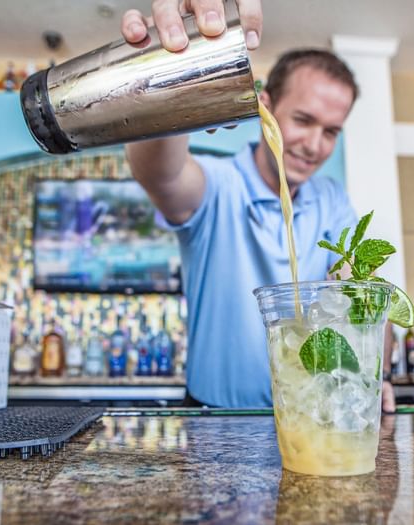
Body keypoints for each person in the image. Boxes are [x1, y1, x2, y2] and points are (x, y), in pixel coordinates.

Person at [121, 0, 395, 411]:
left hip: (308, 417)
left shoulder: (331, 199)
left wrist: (378, 376)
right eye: (303, 120)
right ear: (264, 106)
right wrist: (167, 74)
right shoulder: (219, 186)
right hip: (213, 420)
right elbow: (160, 174)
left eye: (331, 131)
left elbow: (363, 298)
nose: (315, 145)